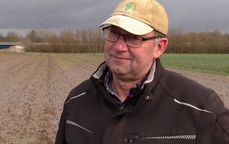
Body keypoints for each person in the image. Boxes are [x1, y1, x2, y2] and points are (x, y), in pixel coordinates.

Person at [55, 0, 229, 143]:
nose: (118, 46)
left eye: (133, 37)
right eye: (114, 33)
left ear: (159, 47)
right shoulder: (76, 100)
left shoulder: (201, 110)